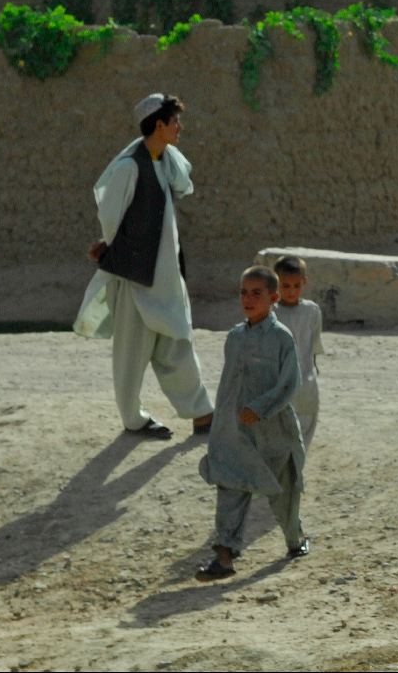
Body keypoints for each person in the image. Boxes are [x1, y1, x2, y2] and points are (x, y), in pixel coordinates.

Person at [73, 93, 214, 440]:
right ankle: (133, 419)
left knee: (178, 339)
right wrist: (112, 249)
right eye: (174, 121)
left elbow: (184, 183)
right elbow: (110, 215)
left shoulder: (163, 160)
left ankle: (202, 413)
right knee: (131, 354)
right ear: (159, 124)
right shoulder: (129, 167)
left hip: (165, 275)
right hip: (136, 276)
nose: (180, 127)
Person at [195, 265, 309, 581]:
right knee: (231, 484)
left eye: (256, 293)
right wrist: (222, 427)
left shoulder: (281, 339)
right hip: (238, 432)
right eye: (243, 292)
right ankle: (224, 556)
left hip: (275, 433)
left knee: (284, 491)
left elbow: (289, 384)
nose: (248, 298)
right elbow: (227, 386)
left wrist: (260, 408)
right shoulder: (234, 338)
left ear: (273, 298)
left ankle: (294, 540)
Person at [272, 255, 325, 449]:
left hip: (306, 382)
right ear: (276, 284)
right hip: (280, 382)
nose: (291, 291)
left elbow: (314, 344)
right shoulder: (271, 312)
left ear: (304, 282)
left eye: (296, 285)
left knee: (306, 427)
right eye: (285, 286)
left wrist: (312, 368)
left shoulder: (312, 311)